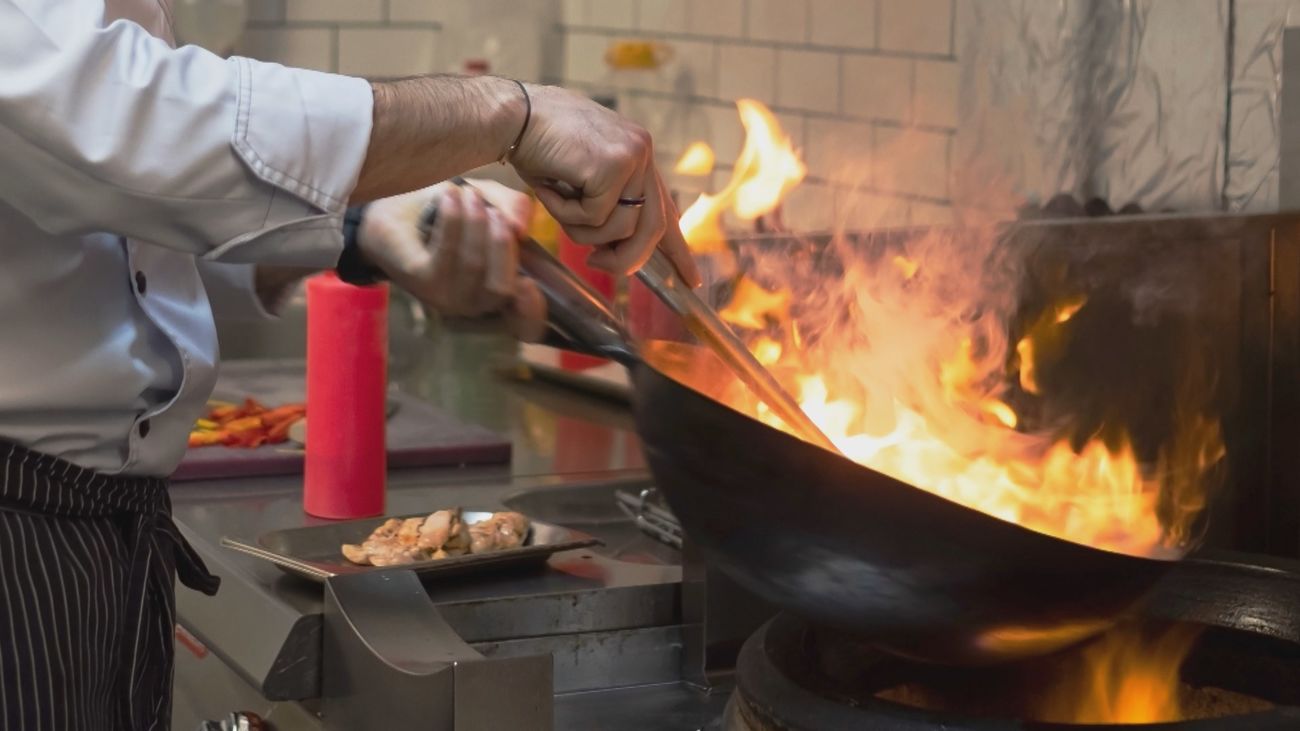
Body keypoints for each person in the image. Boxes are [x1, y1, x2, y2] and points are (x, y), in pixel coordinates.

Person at [0, 1, 700, 729]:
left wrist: (370, 229)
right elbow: (131, 128)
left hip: (91, 529)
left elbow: (118, 214)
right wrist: (510, 115)